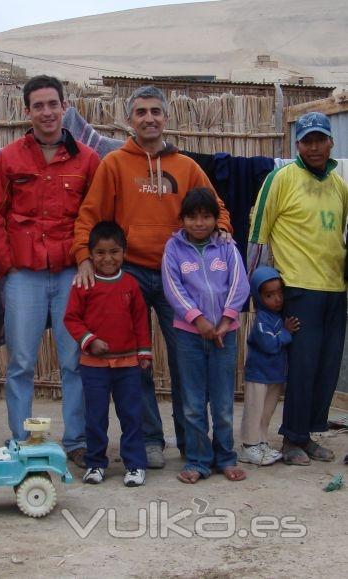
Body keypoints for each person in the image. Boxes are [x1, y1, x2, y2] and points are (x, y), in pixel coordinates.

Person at [72, 85, 233, 468]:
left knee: (184, 361)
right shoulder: (114, 164)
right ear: (130, 119)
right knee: (133, 362)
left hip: (179, 277)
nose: (149, 118)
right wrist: (83, 257)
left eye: (155, 111)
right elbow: (89, 216)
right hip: (128, 276)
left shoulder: (187, 167)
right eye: (141, 112)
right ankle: (149, 440)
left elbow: (216, 206)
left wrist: (222, 227)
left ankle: (191, 441)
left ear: (165, 117)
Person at [0, 75, 100, 468]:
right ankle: (21, 440)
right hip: (24, 275)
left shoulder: (87, 159)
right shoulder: (9, 158)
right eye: (39, 105)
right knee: (20, 362)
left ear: (64, 107)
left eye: (53, 104)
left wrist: (87, 258)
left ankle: (77, 442)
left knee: (74, 360)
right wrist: (7, 264)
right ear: (27, 111)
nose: (47, 112)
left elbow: (96, 216)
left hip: (72, 272)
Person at [248, 112, 348, 465]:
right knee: (303, 366)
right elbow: (259, 232)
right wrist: (255, 290)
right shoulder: (282, 178)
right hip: (299, 288)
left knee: (326, 366)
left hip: (336, 288)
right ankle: (291, 439)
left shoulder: (339, 185)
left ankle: (306, 435)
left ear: (331, 142)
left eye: (321, 139)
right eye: (307, 141)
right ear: (298, 144)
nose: (315, 147)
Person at [161, 188, 249, 483]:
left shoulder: (227, 246)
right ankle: (199, 460)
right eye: (192, 217)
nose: (199, 223)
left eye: (206, 217)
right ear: (182, 219)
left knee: (223, 403)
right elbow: (173, 287)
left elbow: (239, 284)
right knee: (193, 403)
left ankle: (225, 458)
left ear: (215, 218)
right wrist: (197, 320)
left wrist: (225, 321)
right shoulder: (173, 249)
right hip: (188, 336)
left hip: (226, 335)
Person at [64, 221, 152, 487]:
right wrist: (90, 340)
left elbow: (140, 321)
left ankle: (135, 464)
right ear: (90, 254)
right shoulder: (83, 284)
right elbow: (71, 318)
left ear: (124, 253)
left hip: (127, 364)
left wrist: (144, 353)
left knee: (131, 415)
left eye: (114, 252)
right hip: (94, 365)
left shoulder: (131, 284)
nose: (107, 258)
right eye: (100, 253)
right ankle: (95, 463)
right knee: (96, 416)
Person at [239, 267, 300, 466]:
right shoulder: (262, 320)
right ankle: (249, 446)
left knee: (266, 412)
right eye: (269, 295)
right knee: (254, 411)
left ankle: (262, 442)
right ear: (258, 297)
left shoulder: (276, 317)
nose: (277, 299)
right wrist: (285, 333)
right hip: (258, 374)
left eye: (280, 293)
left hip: (273, 375)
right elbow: (269, 344)